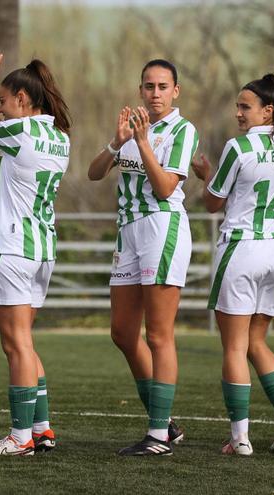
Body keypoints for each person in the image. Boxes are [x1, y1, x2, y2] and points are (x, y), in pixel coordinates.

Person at [0, 46, 70, 456]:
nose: (0, 109)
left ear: (23, 99)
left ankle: (20, 436)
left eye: (5, 102)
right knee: (24, 341)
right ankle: (40, 428)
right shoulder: (58, 136)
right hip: (41, 249)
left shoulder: (21, 132)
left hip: (12, 248)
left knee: (16, 344)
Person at [87, 59, 199, 456]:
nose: (155, 93)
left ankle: (156, 436)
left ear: (176, 92)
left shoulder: (183, 130)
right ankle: (165, 422)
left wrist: (145, 144)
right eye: (149, 86)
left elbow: (167, 187)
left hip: (161, 227)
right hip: (128, 231)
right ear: (140, 90)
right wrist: (117, 143)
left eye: (163, 86)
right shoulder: (132, 127)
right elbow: (94, 173)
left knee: (158, 334)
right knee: (121, 332)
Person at [191, 74, 274, 456]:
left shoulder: (238, 146)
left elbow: (214, 202)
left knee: (234, 346)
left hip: (242, 249)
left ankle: (240, 438)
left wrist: (205, 178)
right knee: (257, 342)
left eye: (245, 106)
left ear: (268, 111)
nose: (238, 113)